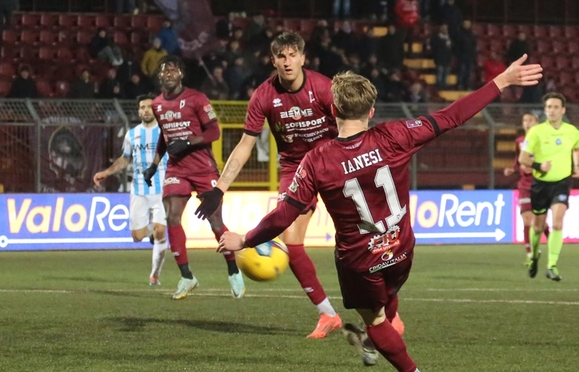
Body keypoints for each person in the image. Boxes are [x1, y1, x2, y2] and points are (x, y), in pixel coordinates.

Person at [217, 55, 542, 372]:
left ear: (333, 110)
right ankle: (383, 329)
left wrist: (244, 239)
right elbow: (453, 115)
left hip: (360, 263)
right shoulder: (395, 135)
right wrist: (503, 80)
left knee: (374, 320)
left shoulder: (317, 160)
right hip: (401, 252)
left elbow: (284, 214)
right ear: (371, 110)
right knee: (387, 298)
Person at [212, 32, 345, 339]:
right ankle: (328, 315)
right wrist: (220, 187)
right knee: (293, 243)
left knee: (357, 238)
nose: (287, 62)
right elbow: (246, 144)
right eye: (281, 57)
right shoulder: (263, 96)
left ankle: (389, 312)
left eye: (292, 55)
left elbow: (349, 128)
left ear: (303, 58)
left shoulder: (324, 88)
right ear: (273, 61)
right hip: (296, 170)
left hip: (332, 164)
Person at [144, 55, 243, 300]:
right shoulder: (157, 104)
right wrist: (154, 165)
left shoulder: (197, 98)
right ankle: (187, 276)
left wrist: (187, 142)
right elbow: (164, 138)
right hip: (177, 170)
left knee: (215, 222)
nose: (168, 74)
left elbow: (214, 131)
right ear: (159, 76)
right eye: (164, 71)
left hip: (203, 168)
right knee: (172, 215)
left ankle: (233, 269)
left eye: (173, 70)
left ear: (181, 75)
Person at [92, 95, 169, 285]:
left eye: (149, 107)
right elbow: (125, 159)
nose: (145, 110)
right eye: (142, 107)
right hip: (138, 190)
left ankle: (154, 275)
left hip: (162, 189)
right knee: (137, 236)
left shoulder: (164, 132)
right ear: (138, 111)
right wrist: (107, 172)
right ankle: (151, 233)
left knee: (161, 231)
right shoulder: (132, 134)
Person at [519, 92, 579, 282]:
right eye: (548, 107)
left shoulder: (573, 132)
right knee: (538, 227)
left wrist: (577, 166)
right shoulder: (536, 132)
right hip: (540, 184)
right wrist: (539, 166)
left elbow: (578, 147)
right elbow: (523, 158)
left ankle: (552, 266)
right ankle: (534, 257)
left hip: (562, 183)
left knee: (557, 223)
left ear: (563, 110)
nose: (552, 111)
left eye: (555, 107)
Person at [503, 112, 547, 265]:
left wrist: (537, 168)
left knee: (540, 222)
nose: (527, 123)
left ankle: (553, 244)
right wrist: (513, 169)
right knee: (527, 218)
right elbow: (518, 160)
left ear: (537, 122)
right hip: (524, 185)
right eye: (525, 120)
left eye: (530, 120)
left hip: (540, 184)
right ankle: (530, 254)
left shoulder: (543, 141)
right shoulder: (520, 141)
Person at [429, 24, 453, 90]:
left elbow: (451, 48)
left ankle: (444, 85)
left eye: (446, 29)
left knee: (446, 73)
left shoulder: (449, 38)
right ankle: (439, 86)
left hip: (447, 59)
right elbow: (434, 47)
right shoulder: (436, 38)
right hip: (439, 58)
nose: (445, 30)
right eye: (444, 28)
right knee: (440, 72)